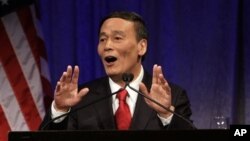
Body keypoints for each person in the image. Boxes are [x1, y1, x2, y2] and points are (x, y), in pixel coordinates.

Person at [39, 11, 195, 130]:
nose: (107, 46)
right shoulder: (81, 99)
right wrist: (59, 110)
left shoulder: (173, 97)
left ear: (142, 46)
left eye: (117, 38)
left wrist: (166, 114)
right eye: (102, 39)